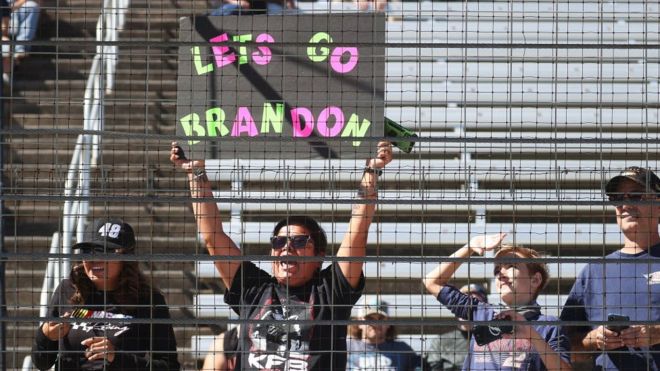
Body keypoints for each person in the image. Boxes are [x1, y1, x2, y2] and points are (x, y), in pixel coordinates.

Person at [170, 140, 393, 370]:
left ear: (319, 256)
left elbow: (358, 230)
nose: (287, 247)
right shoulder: (254, 288)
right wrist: (196, 173)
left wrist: (372, 171)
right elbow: (213, 238)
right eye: (279, 241)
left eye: (299, 241)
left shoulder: (331, 290)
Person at [31, 218, 181, 371]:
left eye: (106, 251)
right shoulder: (67, 290)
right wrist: (45, 337)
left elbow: (169, 366)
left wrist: (116, 357)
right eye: (88, 251)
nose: (96, 259)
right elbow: (41, 363)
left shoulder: (149, 300)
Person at [560, 166, 660, 370]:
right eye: (616, 198)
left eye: (636, 196)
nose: (624, 204)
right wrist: (594, 338)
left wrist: (656, 333)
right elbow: (563, 344)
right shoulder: (594, 272)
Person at [423, 233, 571, 370]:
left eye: (511, 266)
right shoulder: (482, 313)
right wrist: (470, 246)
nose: (501, 274)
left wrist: (530, 332)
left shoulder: (549, 326)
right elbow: (432, 282)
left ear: (535, 280)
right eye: (497, 270)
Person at [425, 283, 489, 371]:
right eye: (463, 304)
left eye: (473, 304)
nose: (467, 309)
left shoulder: (494, 341)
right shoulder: (440, 342)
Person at [346, 299, 421, 370]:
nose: (376, 323)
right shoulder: (345, 348)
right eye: (370, 319)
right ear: (359, 323)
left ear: (388, 324)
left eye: (381, 319)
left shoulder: (402, 349)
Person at [209, 0, 296, 16]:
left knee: (277, 10)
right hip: (233, 7)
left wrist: (291, 8)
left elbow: (290, 5)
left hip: (260, 8)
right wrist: (238, 2)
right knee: (229, 8)